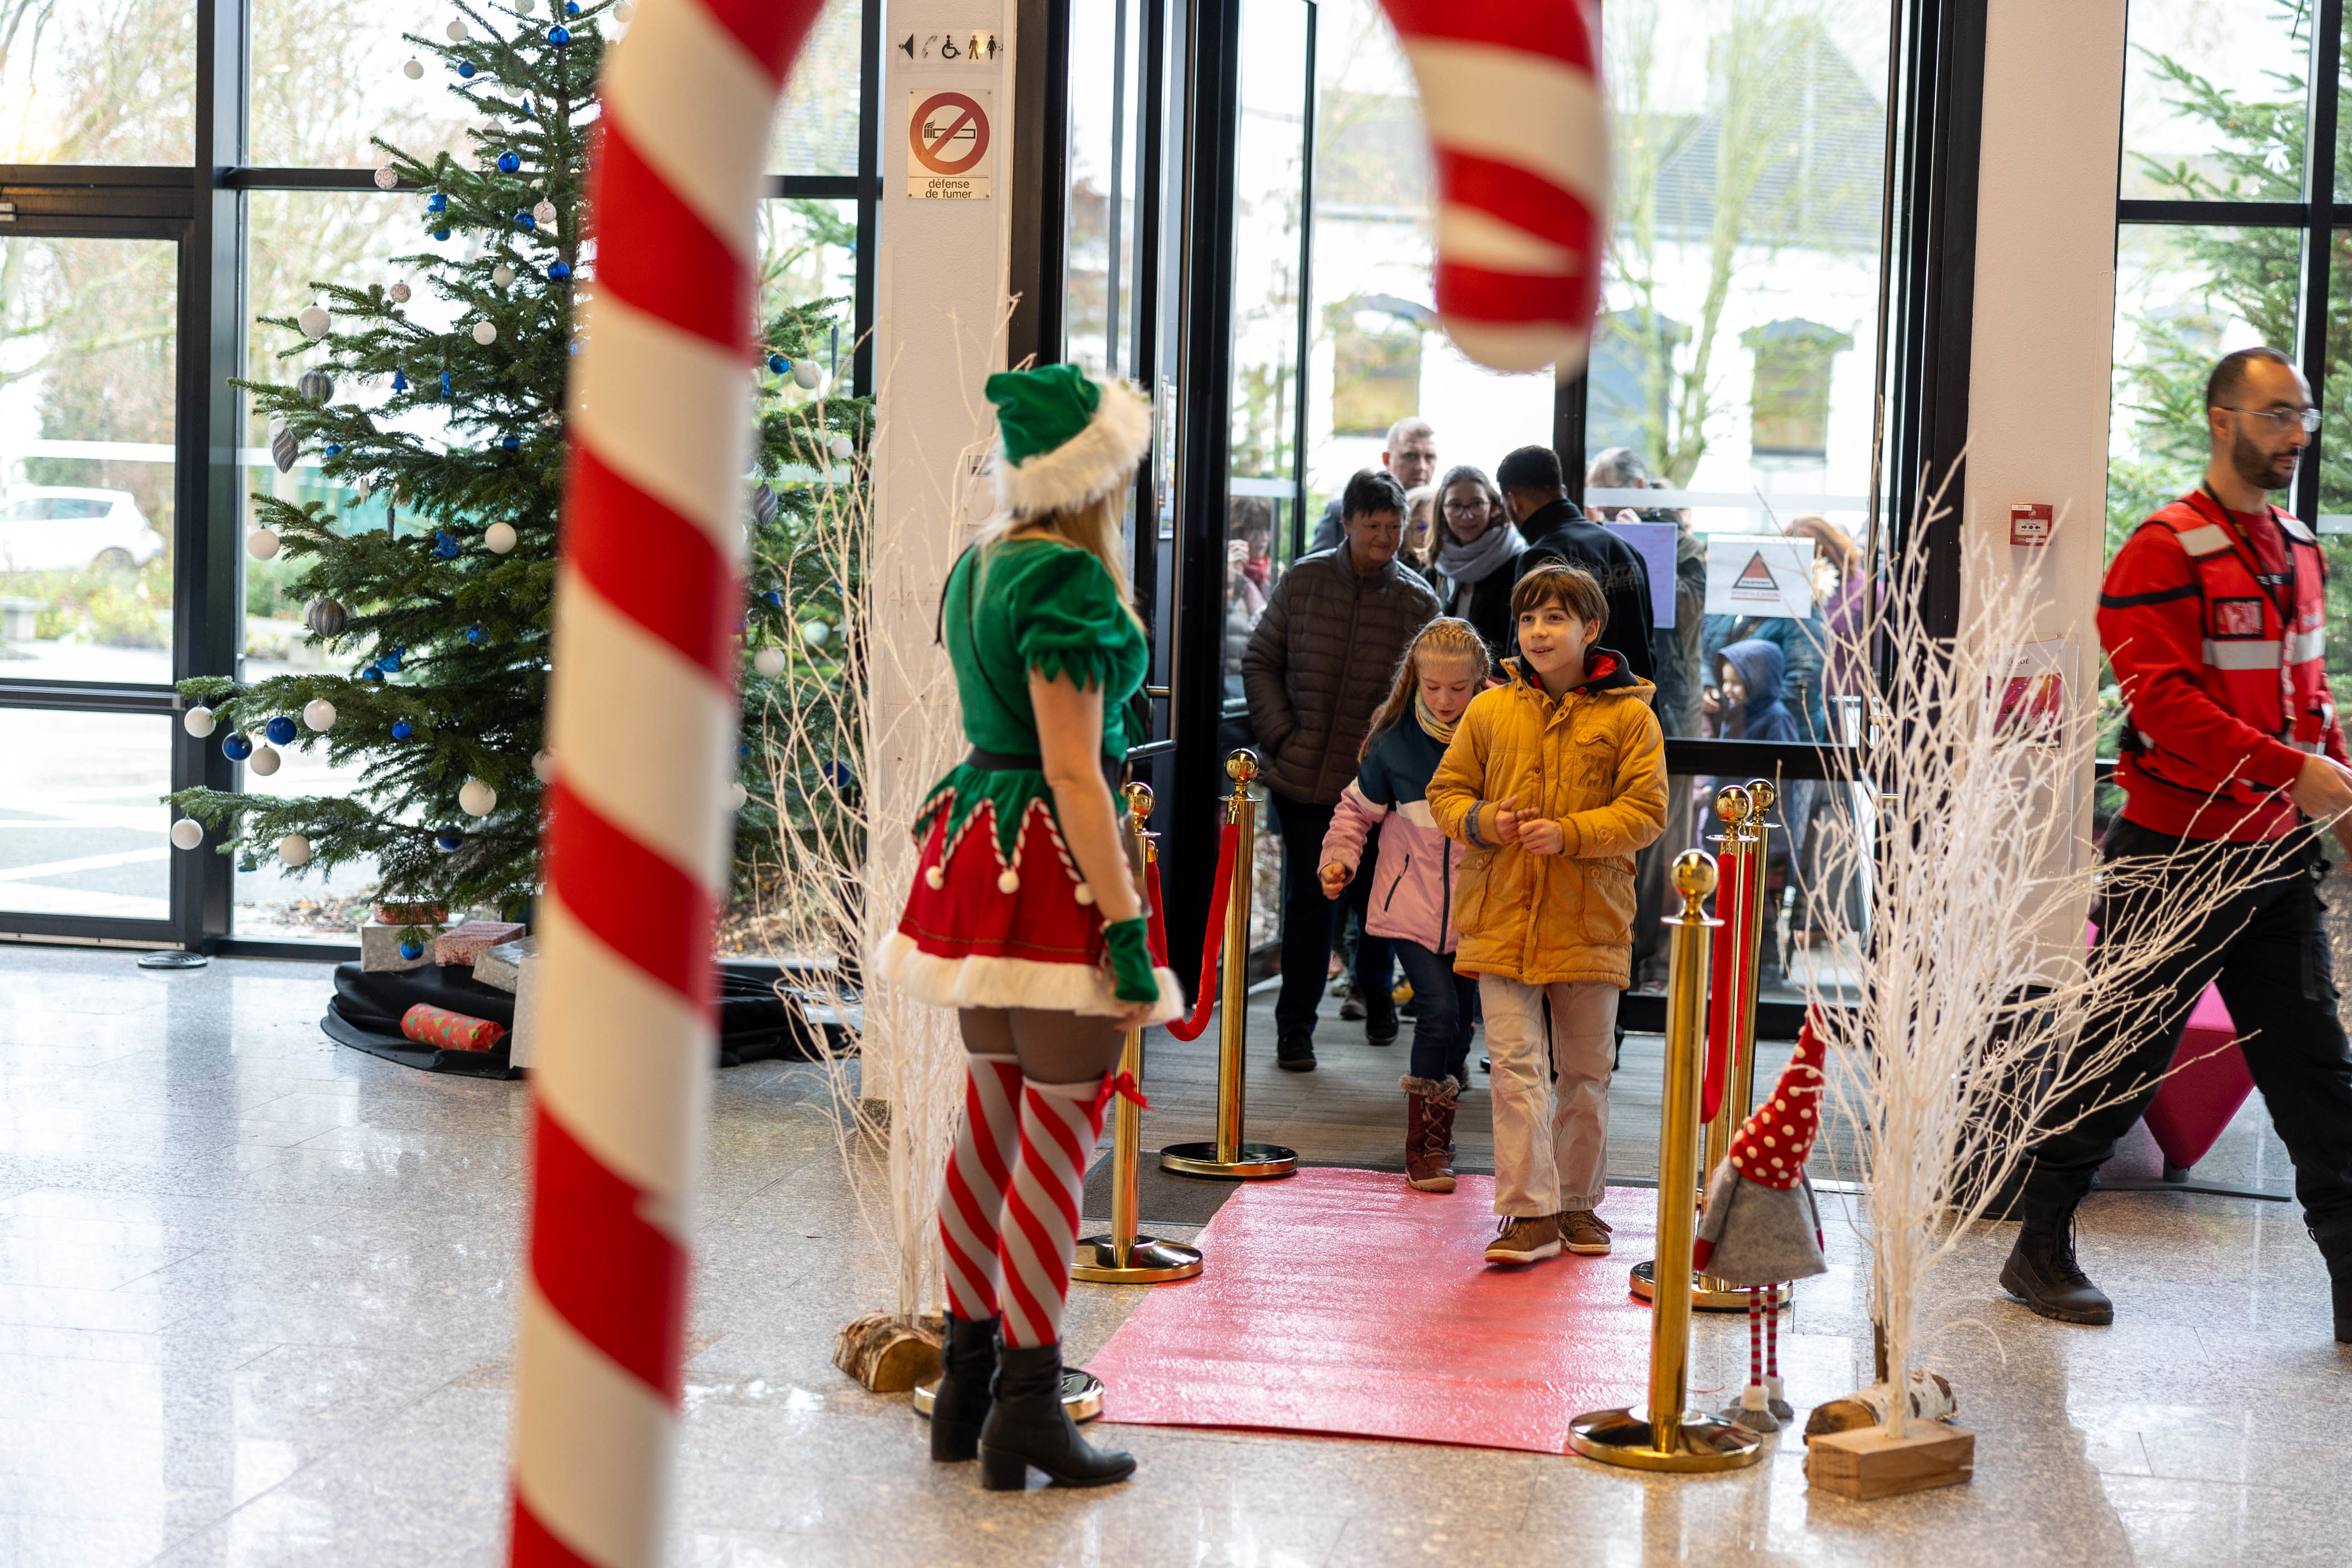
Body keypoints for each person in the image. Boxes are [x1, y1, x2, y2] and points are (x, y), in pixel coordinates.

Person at [2001, 346, 2352, 1342]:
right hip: (2172, 856)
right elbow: (2163, 704)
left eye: (2304, 416)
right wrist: (2297, 772)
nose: (2294, 434)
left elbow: (2305, 695)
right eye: (2275, 414)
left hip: (2274, 857)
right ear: (2221, 421)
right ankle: (2038, 1248)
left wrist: (2329, 783)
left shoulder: (2295, 546)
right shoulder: (2161, 549)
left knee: (2318, 1077)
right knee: (2119, 1057)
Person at [874, 363, 1181, 1490]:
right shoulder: (1068, 585)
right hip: (1049, 864)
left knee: (988, 1127)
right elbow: (1075, 771)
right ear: (1090, 473)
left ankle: (965, 1390)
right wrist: (1127, 927)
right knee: (1056, 1148)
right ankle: (1026, 1405)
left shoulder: (978, 566)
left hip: (976, 848)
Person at [1428, 564, 1668, 1263]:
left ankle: (1577, 1205)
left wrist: (1571, 833)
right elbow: (1446, 794)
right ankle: (1527, 1214)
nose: (1538, 631)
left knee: (1585, 1071)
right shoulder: (1488, 708)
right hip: (1499, 914)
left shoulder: (1631, 715)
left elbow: (1647, 812)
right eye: (1529, 618)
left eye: (1555, 618)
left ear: (1589, 630)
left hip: (1589, 919)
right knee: (1513, 1067)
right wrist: (1484, 820)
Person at [1244, 468, 1440, 1071]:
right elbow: (1260, 660)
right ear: (1348, 522)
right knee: (1310, 903)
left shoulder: (1418, 599)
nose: (1383, 535)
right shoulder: (1303, 580)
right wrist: (1282, 733)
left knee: (1377, 899)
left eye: (1394, 525)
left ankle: (1377, 996)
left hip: (1376, 783)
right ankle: (1294, 1030)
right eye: (1372, 524)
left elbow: (1427, 698)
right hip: (1303, 778)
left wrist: (1393, 760)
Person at [1317, 618, 1490, 1193]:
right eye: (1432, 686)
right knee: (1437, 1011)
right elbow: (1354, 811)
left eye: (1457, 688)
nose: (1443, 700)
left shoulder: (1499, 734)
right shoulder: (1391, 742)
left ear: (1479, 681)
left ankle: (1447, 1070)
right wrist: (1338, 859)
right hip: (1410, 908)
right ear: (1414, 679)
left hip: (1477, 911)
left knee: (1460, 1023)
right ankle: (1427, 1148)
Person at [1496, 444, 1655, 682]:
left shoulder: (1542, 558)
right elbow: (1648, 648)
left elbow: (1527, 659)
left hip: (1572, 711)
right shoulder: (1624, 548)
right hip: (1635, 703)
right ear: (1562, 490)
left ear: (1513, 500)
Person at [1431, 463, 1526, 664]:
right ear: (1442, 512)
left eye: (1476, 504)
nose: (1467, 515)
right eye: (1456, 506)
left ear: (1493, 507)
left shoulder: (1518, 563)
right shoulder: (1435, 567)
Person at [1311, 416, 1440, 551]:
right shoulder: (1341, 511)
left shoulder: (1447, 515)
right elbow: (1314, 568)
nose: (1421, 467)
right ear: (1387, 459)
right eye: (1410, 456)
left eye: (1430, 457)